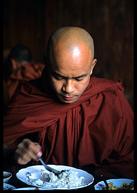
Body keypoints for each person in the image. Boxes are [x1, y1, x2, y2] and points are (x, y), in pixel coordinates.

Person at [3, 27, 134, 180]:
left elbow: (127, 161)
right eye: (59, 77)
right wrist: (14, 153)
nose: (69, 89)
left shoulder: (111, 99)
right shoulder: (28, 96)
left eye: (79, 79)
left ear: (92, 67)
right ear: (47, 63)